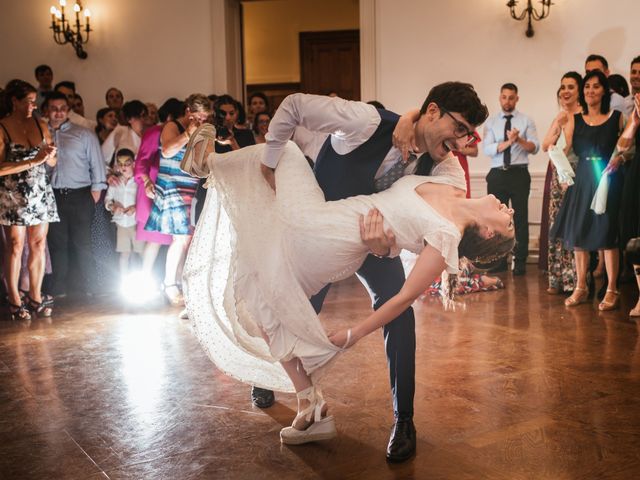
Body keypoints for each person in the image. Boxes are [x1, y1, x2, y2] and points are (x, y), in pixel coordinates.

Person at [180, 120, 513, 450]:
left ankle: (208, 164)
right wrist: (411, 116)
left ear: (487, 232)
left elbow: (403, 298)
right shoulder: (452, 180)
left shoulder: (447, 237)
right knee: (264, 293)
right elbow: (440, 128)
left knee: (287, 161)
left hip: (330, 240)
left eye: (509, 223)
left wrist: (353, 334)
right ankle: (312, 407)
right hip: (326, 215)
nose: (509, 211)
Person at [256, 83, 491, 461]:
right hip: (319, 236)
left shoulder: (446, 168)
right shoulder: (368, 122)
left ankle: (405, 420)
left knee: (399, 317)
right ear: (432, 111)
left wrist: (388, 247)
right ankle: (266, 376)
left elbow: (439, 228)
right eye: (460, 128)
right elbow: (294, 106)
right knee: (289, 307)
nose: (462, 143)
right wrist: (268, 163)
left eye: (469, 135)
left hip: (377, 248)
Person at [550, 70, 625, 310]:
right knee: (578, 233)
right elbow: (567, 149)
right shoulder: (576, 118)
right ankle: (581, 286)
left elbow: (626, 148)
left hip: (606, 177)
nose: (590, 91)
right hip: (582, 177)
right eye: (587, 87)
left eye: (596, 86)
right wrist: (559, 163)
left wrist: (620, 160)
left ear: (604, 91)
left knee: (607, 234)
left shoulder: (616, 117)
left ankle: (612, 289)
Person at [144, 94, 211, 306]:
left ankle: (181, 282)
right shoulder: (171, 126)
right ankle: (170, 285)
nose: (202, 122)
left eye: (205, 118)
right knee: (180, 238)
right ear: (188, 112)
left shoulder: (203, 130)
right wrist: (188, 134)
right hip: (171, 186)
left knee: (186, 238)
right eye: (198, 117)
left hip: (189, 187)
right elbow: (167, 149)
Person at [0, 80, 58, 320]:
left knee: (38, 244)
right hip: (14, 193)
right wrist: (31, 162)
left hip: (39, 191)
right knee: (14, 246)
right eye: (28, 101)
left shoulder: (40, 124)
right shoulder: (2, 127)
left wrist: (51, 156)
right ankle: (14, 298)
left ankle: (36, 296)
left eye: (35, 101)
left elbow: (52, 162)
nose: (33, 106)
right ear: (14, 101)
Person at [45, 91, 107, 298]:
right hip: (53, 195)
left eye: (63, 108)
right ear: (47, 110)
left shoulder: (83, 134)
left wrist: (96, 192)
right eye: (54, 108)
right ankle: (58, 288)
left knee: (83, 242)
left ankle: (92, 286)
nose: (58, 112)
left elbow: (97, 164)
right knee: (57, 243)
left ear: (68, 110)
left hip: (81, 195)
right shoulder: (41, 134)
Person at [482, 83, 540, 275]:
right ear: (500, 98)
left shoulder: (526, 121)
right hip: (497, 174)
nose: (507, 100)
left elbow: (535, 147)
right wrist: (508, 142)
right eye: (504, 97)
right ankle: (498, 260)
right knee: (497, 218)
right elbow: (487, 149)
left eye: (511, 97)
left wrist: (519, 140)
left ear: (517, 98)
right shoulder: (491, 122)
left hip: (519, 174)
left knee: (520, 217)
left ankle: (520, 260)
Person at [540, 72, 583, 294]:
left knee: (572, 225)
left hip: (575, 174)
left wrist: (566, 123)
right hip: (558, 175)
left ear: (579, 91)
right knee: (556, 223)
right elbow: (545, 144)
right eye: (563, 87)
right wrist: (559, 122)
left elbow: (566, 147)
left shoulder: (583, 115)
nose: (565, 91)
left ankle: (574, 279)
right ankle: (556, 278)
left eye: (571, 87)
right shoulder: (560, 116)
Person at [134, 98, 183, 277]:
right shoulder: (155, 132)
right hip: (154, 189)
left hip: (175, 189)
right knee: (155, 239)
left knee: (178, 240)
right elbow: (141, 163)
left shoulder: (183, 133)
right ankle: (145, 281)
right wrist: (147, 183)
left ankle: (174, 282)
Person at [617, 93, 640, 316]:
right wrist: (634, 121)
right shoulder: (635, 117)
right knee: (633, 232)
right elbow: (622, 147)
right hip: (637, 176)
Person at [105, 149, 143, 277]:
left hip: (137, 222)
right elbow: (107, 200)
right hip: (121, 223)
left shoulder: (139, 181)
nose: (123, 167)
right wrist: (112, 206)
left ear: (133, 163)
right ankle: (123, 279)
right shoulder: (115, 182)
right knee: (124, 253)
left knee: (140, 252)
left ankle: (142, 278)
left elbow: (146, 199)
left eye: (126, 163)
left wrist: (136, 208)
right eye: (120, 164)